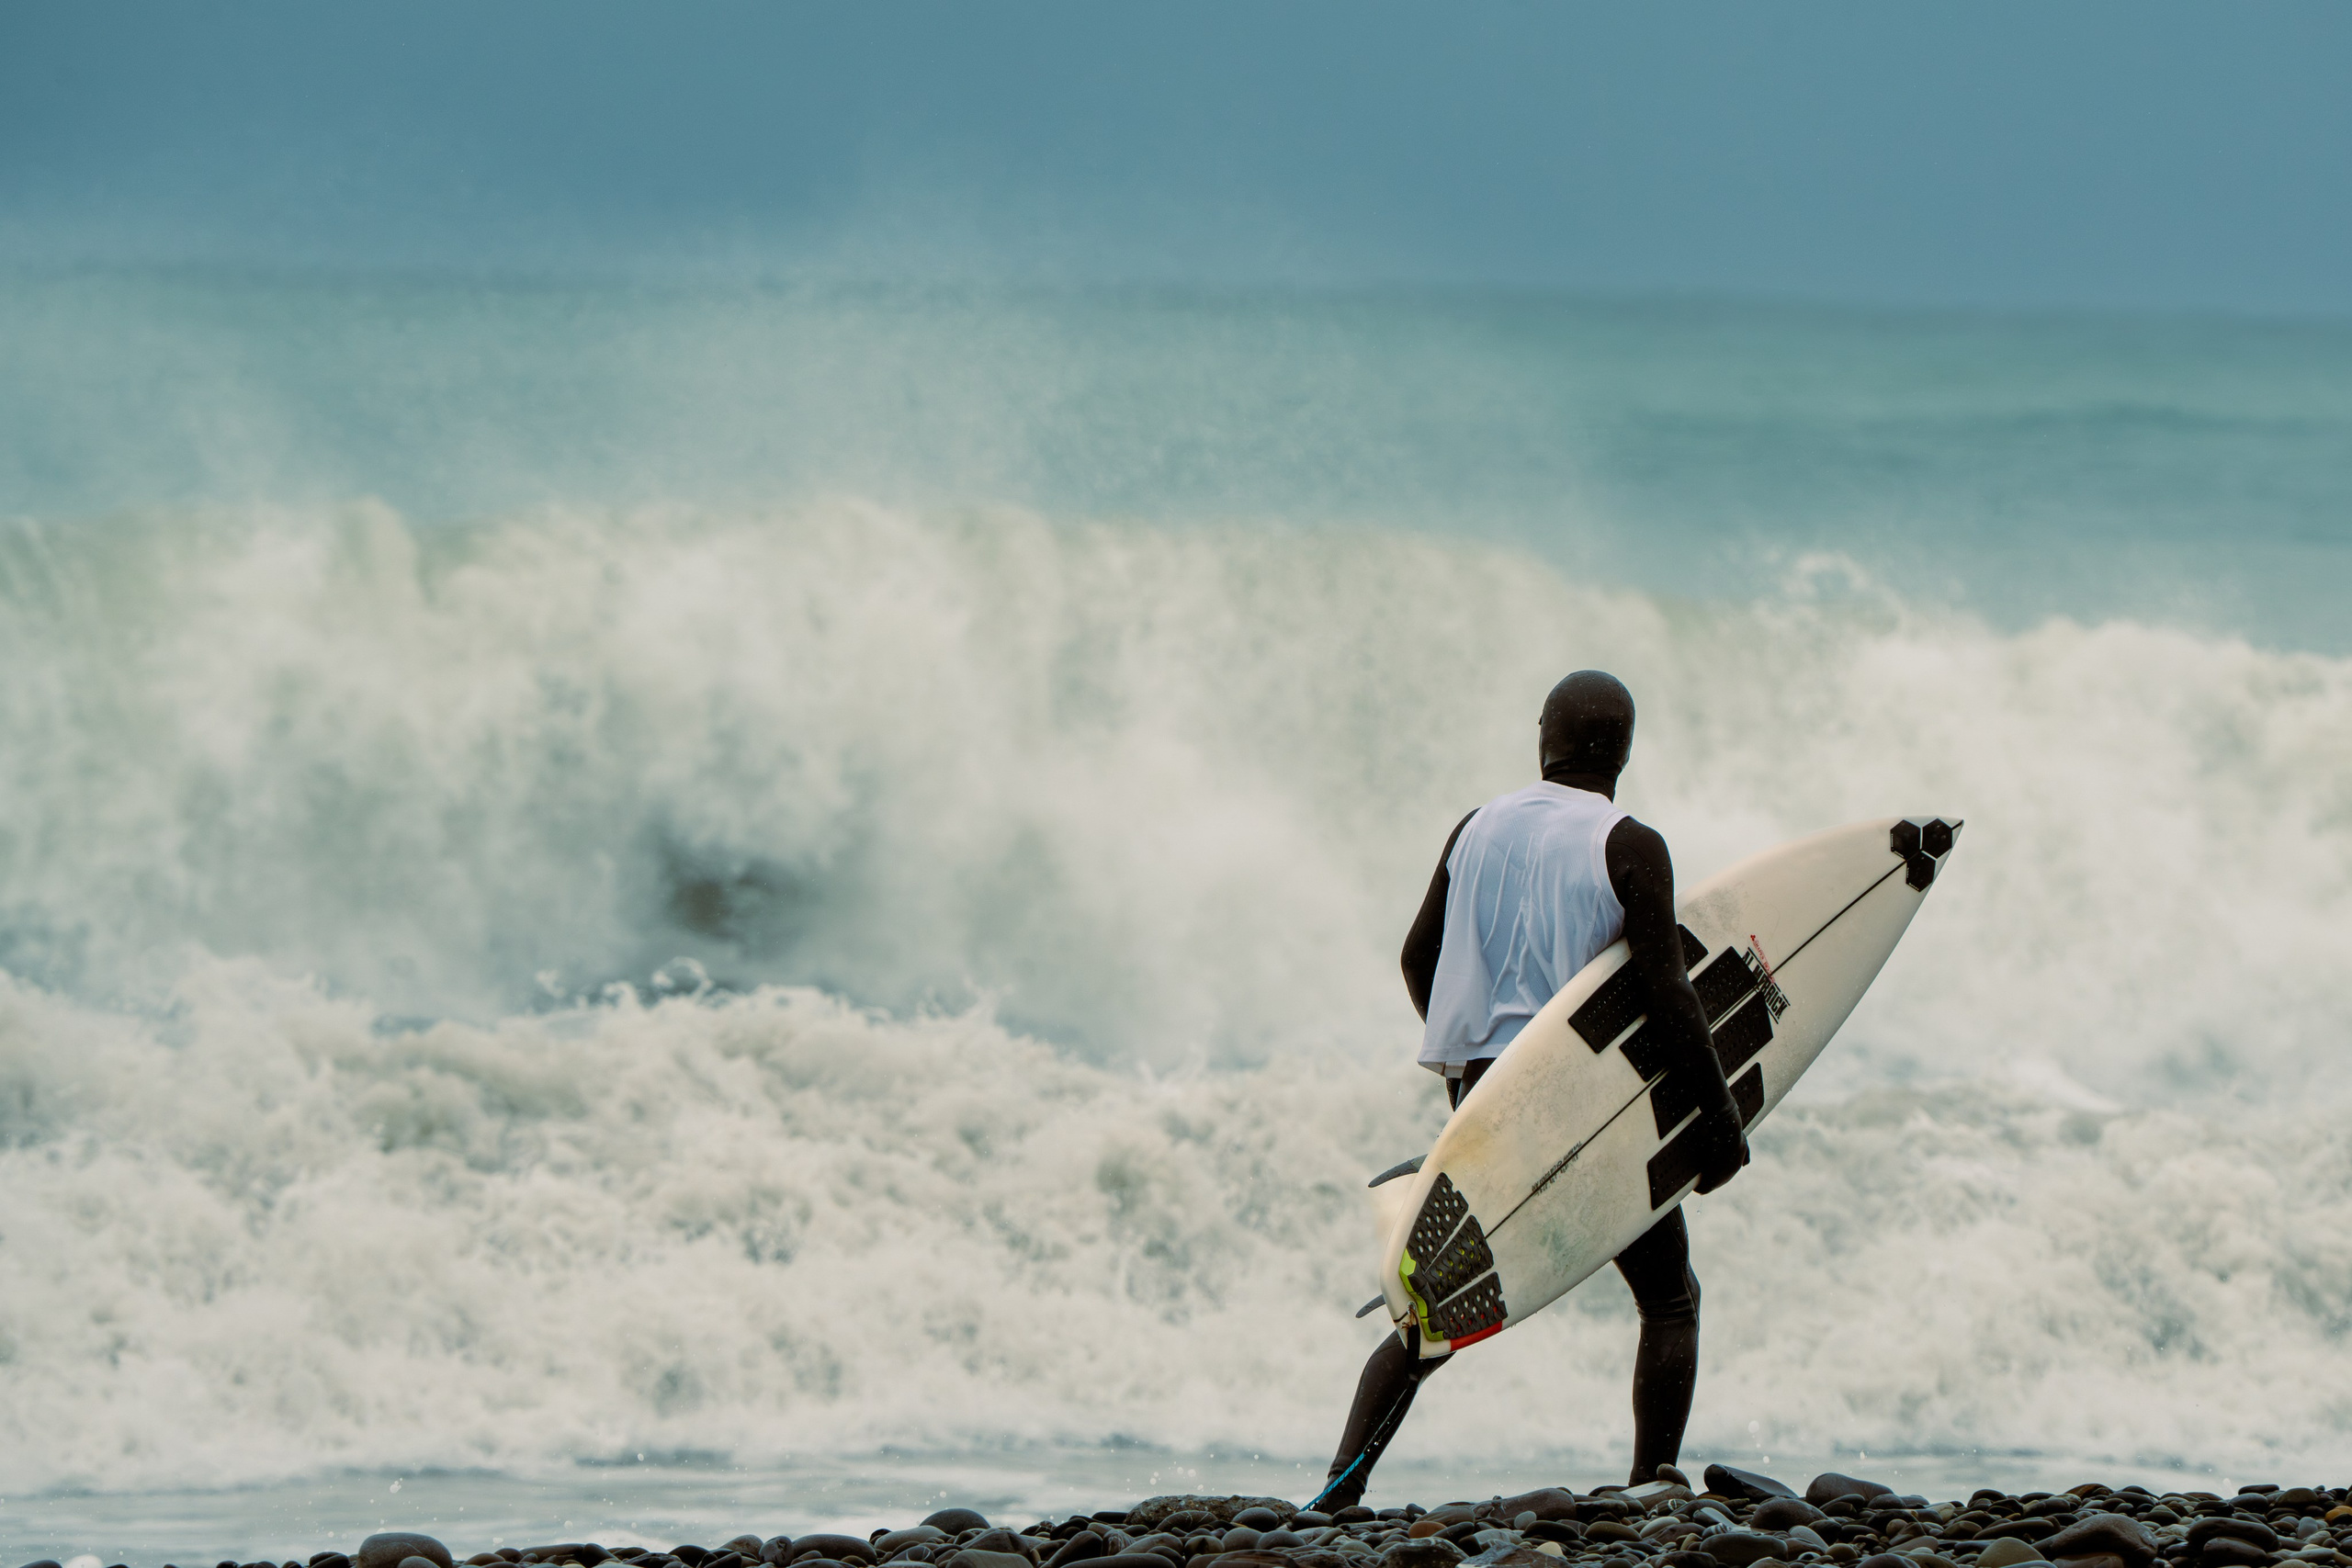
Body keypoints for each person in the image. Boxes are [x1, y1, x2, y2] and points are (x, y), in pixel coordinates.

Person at [1312, 670, 1748, 1511]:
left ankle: (1342, 1483)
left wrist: (1473, 1054)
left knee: (1433, 1308)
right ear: (1621, 751)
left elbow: (1417, 958)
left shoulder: (1474, 829)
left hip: (1482, 1099)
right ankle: (1650, 1485)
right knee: (1668, 1294)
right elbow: (1669, 993)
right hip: (1576, 1103)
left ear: (1543, 740)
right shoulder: (1628, 844)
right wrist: (1719, 1118)